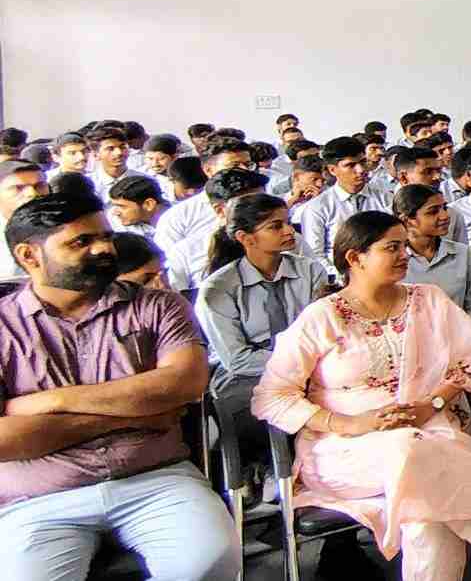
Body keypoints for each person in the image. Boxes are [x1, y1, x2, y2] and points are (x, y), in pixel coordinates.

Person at [252, 211, 471, 580]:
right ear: (355, 258)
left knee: (427, 517)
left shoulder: (429, 300)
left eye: (404, 246)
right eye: (391, 248)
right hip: (343, 449)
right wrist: (349, 423)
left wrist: (433, 403)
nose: (404, 255)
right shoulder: (322, 318)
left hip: (434, 434)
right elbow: (273, 396)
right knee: (408, 449)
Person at [0, 193, 239, 581]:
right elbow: (3, 440)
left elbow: (184, 383)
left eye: (106, 237)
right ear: (29, 256)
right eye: (81, 242)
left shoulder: (159, 305)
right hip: (37, 498)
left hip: (157, 479)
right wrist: (132, 416)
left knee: (209, 560)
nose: (103, 249)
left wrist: (50, 402)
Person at [195, 192, 330, 467]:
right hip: (247, 375)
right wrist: (298, 363)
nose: (289, 231)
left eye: (288, 222)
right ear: (246, 238)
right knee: (263, 403)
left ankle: (320, 464)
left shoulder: (310, 271)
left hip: (311, 367)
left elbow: (321, 331)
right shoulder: (218, 289)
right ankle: (266, 467)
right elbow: (237, 359)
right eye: (275, 226)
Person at [393, 183, 471, 334]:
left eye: (444, 208)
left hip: (463, 337)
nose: (445, 216)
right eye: (433, 212)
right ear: (408, 220)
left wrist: (456, 336)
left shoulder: (463, 254)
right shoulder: (394, 261)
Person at [298, 135, 390, 262]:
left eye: (363, 162)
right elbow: (315, 255)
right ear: (332, 170)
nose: (361, 170)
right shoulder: (317, 207)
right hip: (337, 271)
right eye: (350, 165)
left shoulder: (386, 199)